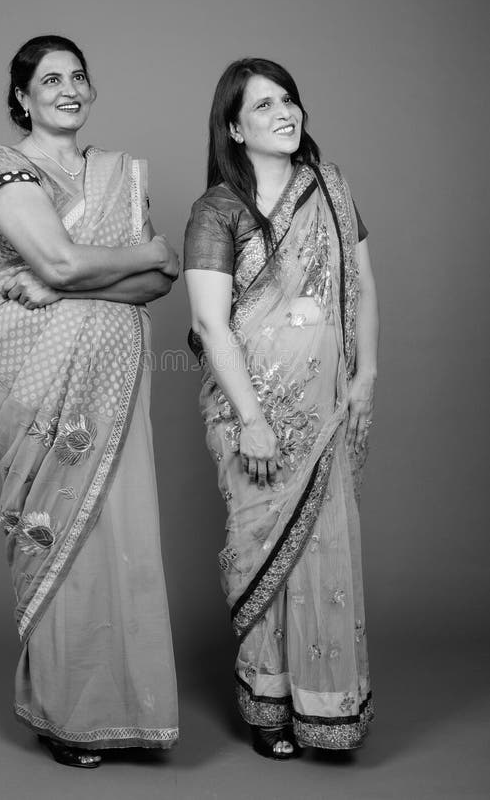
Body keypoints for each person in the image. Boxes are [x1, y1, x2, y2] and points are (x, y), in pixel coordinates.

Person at [0, 35, 179, 767]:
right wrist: (145, 252)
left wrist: (63, 281)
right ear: (23, 96)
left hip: (116, 377)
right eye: (49, 79)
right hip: (35, 380)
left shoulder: (118, 174)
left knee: (120, 540)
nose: (68, 89)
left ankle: (127, 710)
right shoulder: (7, 168)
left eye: (79, 77)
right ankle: (69, 716)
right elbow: (62, 256)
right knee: (60, 534)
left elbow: (158, 287)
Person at [184, 58, 378, 759]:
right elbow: (209, 325)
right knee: (263, 548)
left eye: (288, 99)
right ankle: (268, 704)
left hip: (326, 401)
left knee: (323, 551)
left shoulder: (328, 191)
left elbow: (361, 284)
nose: (284, 112)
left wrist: (366, 376)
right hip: (251, 411)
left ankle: (325, 705)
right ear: (234, 127)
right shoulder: (218, 210)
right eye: (263, 106)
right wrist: (254, 420)